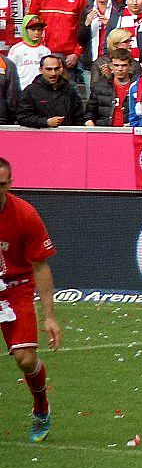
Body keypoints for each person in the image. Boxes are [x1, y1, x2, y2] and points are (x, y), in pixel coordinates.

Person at [0, 158, 61, 442]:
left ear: (10, 184)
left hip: (16, 288)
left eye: (1, 185)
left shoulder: (25, 215)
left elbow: (41, 266)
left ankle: (41, 408)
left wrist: (49, 316)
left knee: (26, 360)